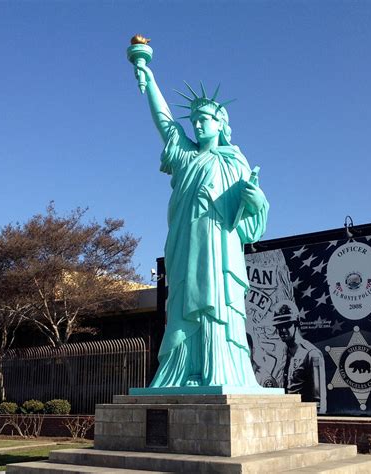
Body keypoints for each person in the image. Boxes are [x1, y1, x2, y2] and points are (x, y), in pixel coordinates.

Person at [135, 63, 269, 388]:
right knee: (182, 308)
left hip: (220, 250)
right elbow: (165, 123)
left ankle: (221, 371)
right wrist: (150, 80)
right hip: (186, 246)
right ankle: (181, 372)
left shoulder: (234, 161)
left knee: (218, 307)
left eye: (204, 119)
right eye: (194, 120)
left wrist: (255, 199)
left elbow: (251, 219)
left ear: (220, 123)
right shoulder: (184, 157)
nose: (197, 124)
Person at [273, 300, 327, 412]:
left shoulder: (312, 354)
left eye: (287, 325)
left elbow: (319, 401)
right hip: (286, 414)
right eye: (279, 326)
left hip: (305, 416)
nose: (282, 330)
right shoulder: (281, 353)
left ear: (296, 324)